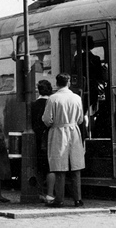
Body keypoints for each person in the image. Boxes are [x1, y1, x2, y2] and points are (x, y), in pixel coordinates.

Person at [42, 73, 85, 208]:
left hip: (58, 132)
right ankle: (78, 199)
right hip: (73, 131)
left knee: (60, 167)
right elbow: (80, 119)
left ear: (57, 83)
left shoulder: (53, 99)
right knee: (75, 167)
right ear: (69, 83)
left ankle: (59, 199)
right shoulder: (76, 98)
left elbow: (47, 119)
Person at [31, 79, 55, 203]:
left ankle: (40, 193)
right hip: (50, 138)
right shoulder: (52, 103)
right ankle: (50, 194)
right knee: (50, 167)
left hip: (37, 139)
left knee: (40, 167)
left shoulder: (33, 104)